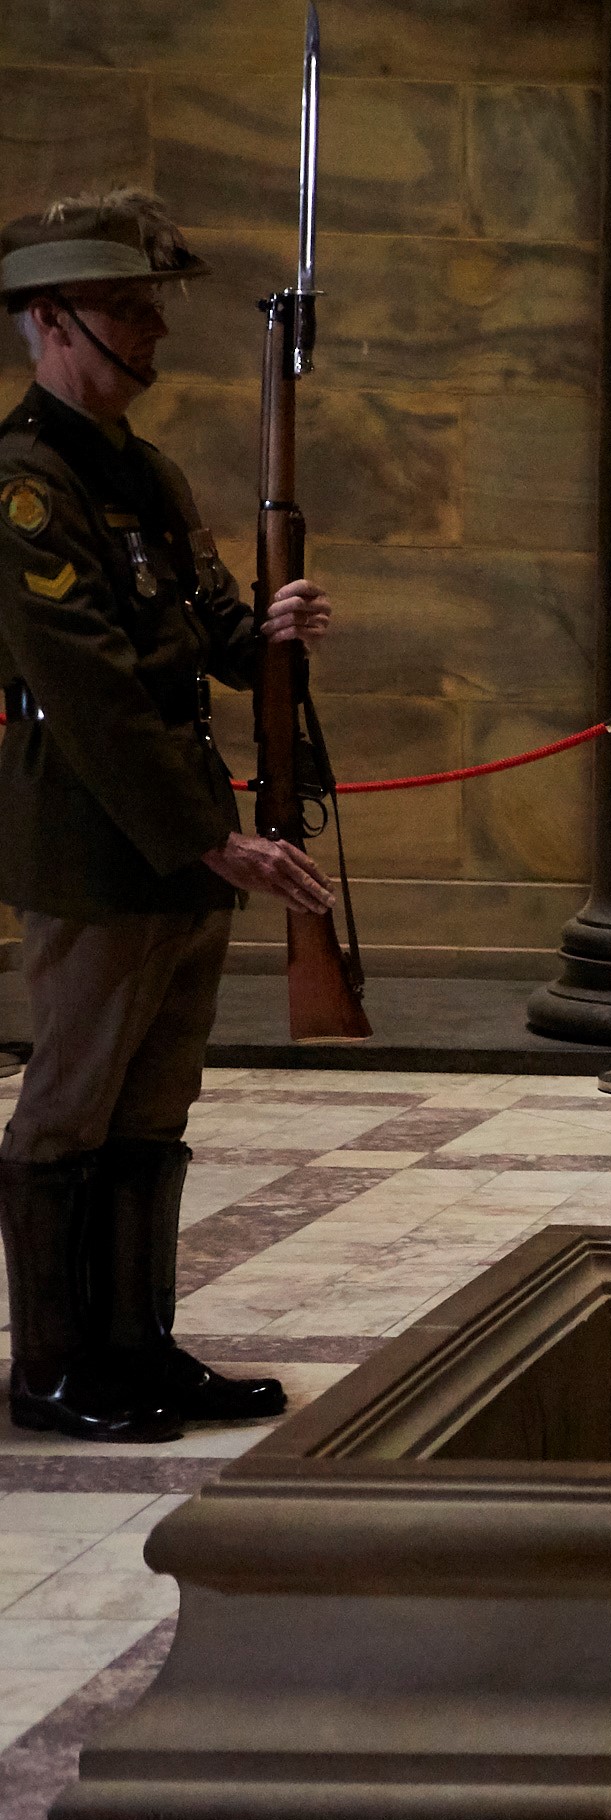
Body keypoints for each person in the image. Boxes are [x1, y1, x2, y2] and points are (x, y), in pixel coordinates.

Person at [0, 190, 339, 1442]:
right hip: (102, 847)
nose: (152, 329)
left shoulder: (144, 472)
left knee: (154, 1106)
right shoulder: (26, 488)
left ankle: (136, 1349)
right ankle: (49, 1369)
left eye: (150, 306)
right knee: (71, 1106)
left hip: (186, 842)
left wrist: (269, 636)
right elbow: (90, 697)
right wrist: (216, 839)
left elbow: (196, 634)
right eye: (127, 309)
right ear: (52, 323)